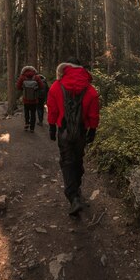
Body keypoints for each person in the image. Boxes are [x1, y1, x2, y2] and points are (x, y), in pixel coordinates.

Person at [47, 57, 100, 216]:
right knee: (77, 159)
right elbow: (94, 113)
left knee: (66, 161)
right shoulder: (90, 89)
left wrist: (51, 127)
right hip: (81, 131)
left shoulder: (56, 86)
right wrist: (93, 130)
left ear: (66, 68)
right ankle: (76, 187)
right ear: (82, 69)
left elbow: (52, 109)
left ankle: (73, 196)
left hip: (64, 131)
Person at [16, 66, 44, 133]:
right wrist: (36, 89)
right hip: (34, 99)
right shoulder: (36, 77)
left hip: (26, 99)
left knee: (26, 112)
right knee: (33, 113)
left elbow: (18, 86)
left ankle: (26, 123)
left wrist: (23, 89)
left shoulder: (22, 77)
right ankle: (32, 128)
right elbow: (42, 86)